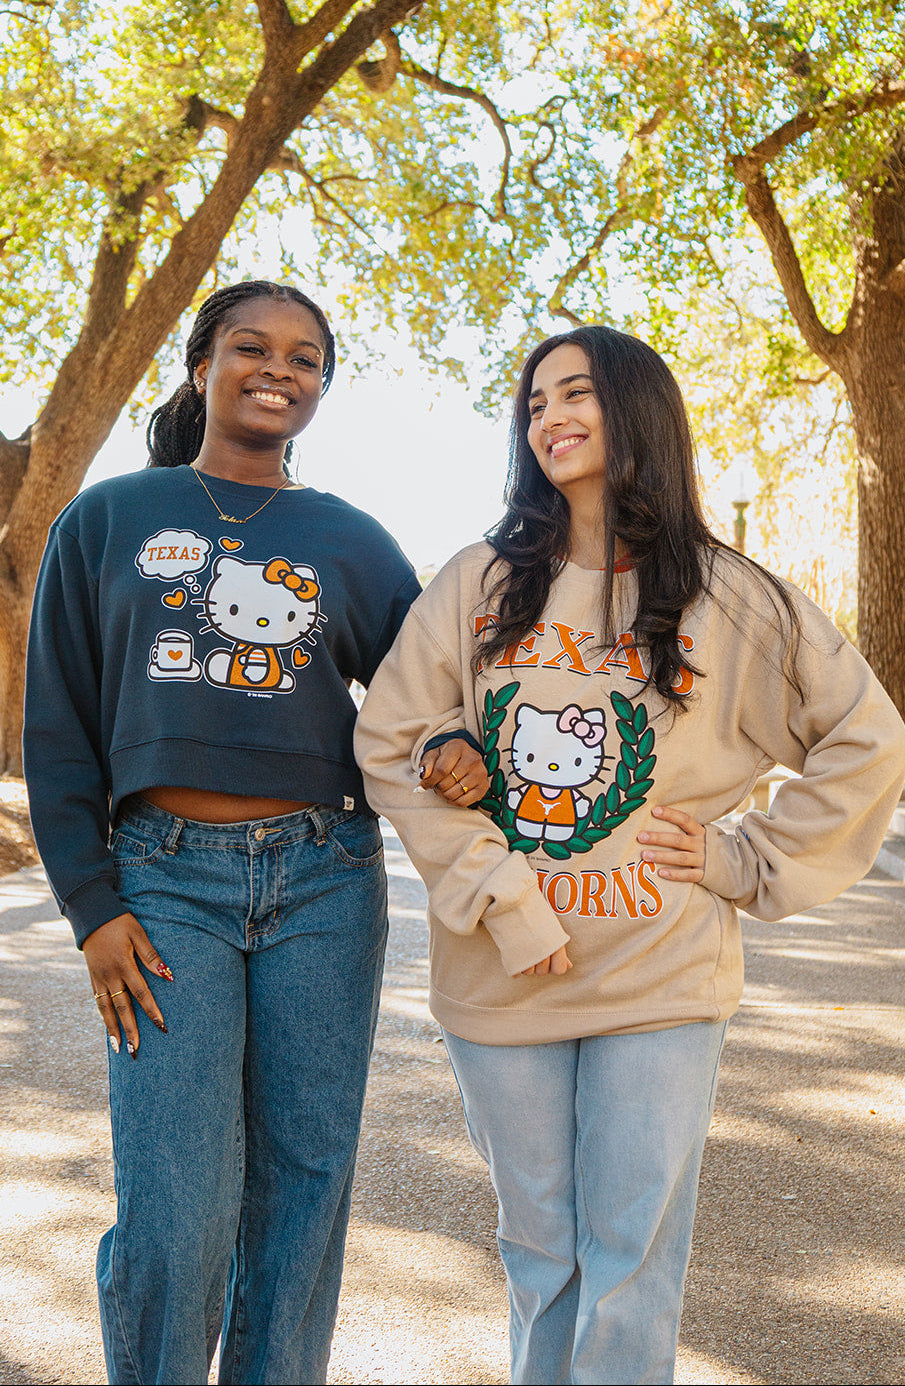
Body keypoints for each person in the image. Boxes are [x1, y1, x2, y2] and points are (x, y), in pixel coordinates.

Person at [354, 325, 905, 1385]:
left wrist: (738, 856)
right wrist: (492, 881)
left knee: (630, 1259)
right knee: (541, 1253)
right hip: (500, 972)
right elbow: (387, 738)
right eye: (533, 402)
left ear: (636, 411)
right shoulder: (479, 582)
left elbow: (866, 739)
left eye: (576, 395)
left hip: (661, 971)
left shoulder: (730, 596)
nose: (549, 418)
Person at [22, 279, 486, 1386]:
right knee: (176, 1206)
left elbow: (429, 691)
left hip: (325, 880)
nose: (279, 370)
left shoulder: (350, 538)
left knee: (302, 1189)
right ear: (200, 366)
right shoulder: (107, 519)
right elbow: (58, 727)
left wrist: (451, 743)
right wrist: (93, 907)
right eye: (252, 348)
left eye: (306, 358)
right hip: (163, 883)